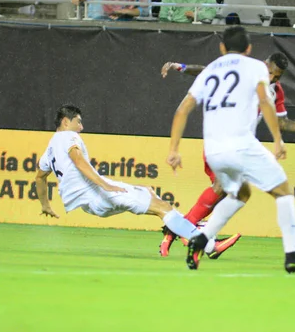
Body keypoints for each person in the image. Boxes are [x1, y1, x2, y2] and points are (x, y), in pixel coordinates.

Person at [166, 26, 295, 274]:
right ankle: (292, 256)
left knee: (241, 194)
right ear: (249, 49)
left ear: (221, 47)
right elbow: (264, 101)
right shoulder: (256, 68)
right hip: (241, 144)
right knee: (283, 192)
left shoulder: (211, 72)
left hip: (214, 151)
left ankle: (200, 239)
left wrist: (174, 149)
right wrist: (277, 140)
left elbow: (183, 109)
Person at [36, 105, 237, 259]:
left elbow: (40, 177)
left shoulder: (50, 149)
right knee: (163, 207)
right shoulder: (68, 137)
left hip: (90, 204)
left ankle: (187, 234)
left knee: (152, 197)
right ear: (65, 122)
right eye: (78, 122)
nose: (81, 127)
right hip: (99, 193)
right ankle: (207, 245)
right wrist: (105, 186)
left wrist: (45, 205)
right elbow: (78, 160)